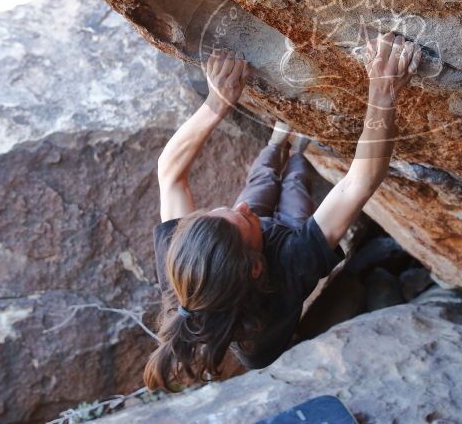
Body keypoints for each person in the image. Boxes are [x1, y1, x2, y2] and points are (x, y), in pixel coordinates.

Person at [144, 33, 422, 391]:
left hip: (239, 268)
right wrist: (384, 88)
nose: (241, 206)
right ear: (258, 265)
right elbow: (359, 183)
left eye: (223, 210)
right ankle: (292, 158)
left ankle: (278, 150)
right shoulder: (293, 264)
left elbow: (169, 173)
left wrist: (217, 102)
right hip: (265, 344)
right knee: (291, 200)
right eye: (243, 218)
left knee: (254, 197)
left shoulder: (182, 264)